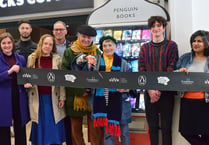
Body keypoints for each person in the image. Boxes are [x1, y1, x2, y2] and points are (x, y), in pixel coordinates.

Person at [73, 35, 132, 145]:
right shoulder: (95, 61)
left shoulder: (123, 63)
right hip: (102, 101)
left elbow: (131, 82)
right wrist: (85, 58)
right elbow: (77, 64)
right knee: (107, 133)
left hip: (120, 101)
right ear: (101, 48)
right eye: (105, 46)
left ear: (115, 47)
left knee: (124, 132)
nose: (107, 48)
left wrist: (125, 88)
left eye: (110, 45)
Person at [138, 16, 179, 145]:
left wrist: (159, 90)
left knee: (167, 128)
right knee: (152, 127)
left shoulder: (171, 45)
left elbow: (171, 68)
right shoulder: (144, 47)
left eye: (158, 26)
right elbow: (141, 70)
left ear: (163, 27)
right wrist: (150, 90)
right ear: (150, 29)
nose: (156, 28)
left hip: (166, 92)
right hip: (149, 93)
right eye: (153, 26)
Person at [62, 25, 102, 145]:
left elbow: (101, 74)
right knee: (76, 130)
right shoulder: (69, 52)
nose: (86, 40)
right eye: (84, 37)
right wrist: (80, 90)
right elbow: (65, 75)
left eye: (89, 38)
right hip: (75, 97)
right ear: (79, 36)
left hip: (93, 96)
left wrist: (91, 89)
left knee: (95, 130)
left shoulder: (97, 52)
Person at [24, 34, 66, 145]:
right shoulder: (32, 58)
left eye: (50, 44)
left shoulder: (57, 59)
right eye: (45, 43)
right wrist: (27, 83)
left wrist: (62, 97)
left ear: (53, 47)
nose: (47, 46)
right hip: (37, 98)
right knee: (39, 123)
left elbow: (61, 81)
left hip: (53, 98)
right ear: (41, 44)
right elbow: (27, 76)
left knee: (53, 124)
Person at [176, 30, 209, 145]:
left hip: (205, 101)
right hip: (187, 100)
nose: (195, 43)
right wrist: (179, 72)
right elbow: (174, 77)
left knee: (206, 133)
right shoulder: (184, 58)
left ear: (206, 43)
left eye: (199, 41)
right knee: (185, 132)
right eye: (194, 41)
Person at [0, 32, 30, 145]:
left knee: (20, 126)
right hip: (3, 98)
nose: (7, 45)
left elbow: (25, 76)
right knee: (3, 128)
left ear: (13, 44)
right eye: (3, 43)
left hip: (19, 96)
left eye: (9, 42)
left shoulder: (21, 58)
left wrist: (27, 83)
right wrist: (9, 71)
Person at [52, 20, 72, 145]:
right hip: (54, 89)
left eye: (61, 29)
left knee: (69, 120)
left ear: (66, 31)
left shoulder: (73, 46)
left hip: (70, 87)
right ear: (53, 32)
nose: (58, 32)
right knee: (55, 118)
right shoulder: (47, 45)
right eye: (56, 30)